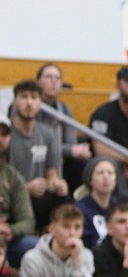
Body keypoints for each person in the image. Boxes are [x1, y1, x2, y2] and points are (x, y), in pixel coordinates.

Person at [7, 79, 70, 229]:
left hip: (38, 198)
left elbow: (52, 172)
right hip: (11, 199)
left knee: (63, 197)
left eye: (34, 97)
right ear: (15, 102)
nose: (29, 103)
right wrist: (26, 188)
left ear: (40, 103)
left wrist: (55, 184)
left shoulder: (48, 133)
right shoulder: (5, 134)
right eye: (23, 97)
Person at [0, 115, 39, 267]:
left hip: (7, 240)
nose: (0, 138)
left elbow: (28, 221)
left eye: (4, 134)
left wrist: (11, 230)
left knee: (37, 246)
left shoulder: (13, 176)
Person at [78, 156, 120, 249]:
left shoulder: (120, 206)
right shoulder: (80, 209)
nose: (106, 177)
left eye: (110, 173)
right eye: (100, 173)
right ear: (90, 179)